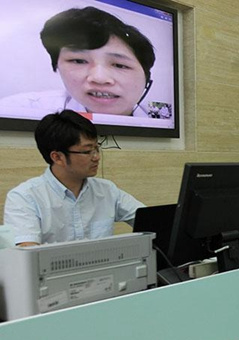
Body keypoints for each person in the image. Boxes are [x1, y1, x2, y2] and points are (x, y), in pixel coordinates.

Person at [4, 110, 144, 246]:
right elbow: (28, 257)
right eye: (88, 151)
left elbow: (152, 221)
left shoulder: (107, 190)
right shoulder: (24, 197)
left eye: (97, 148)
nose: (96, 157)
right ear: (57, 157)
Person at [0, 7, 155, 117]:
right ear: (57, 66)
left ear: (146, 78)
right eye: (79, 61)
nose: (99, 78)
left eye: (120, 65)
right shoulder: (16, 109)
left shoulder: (161, 118)